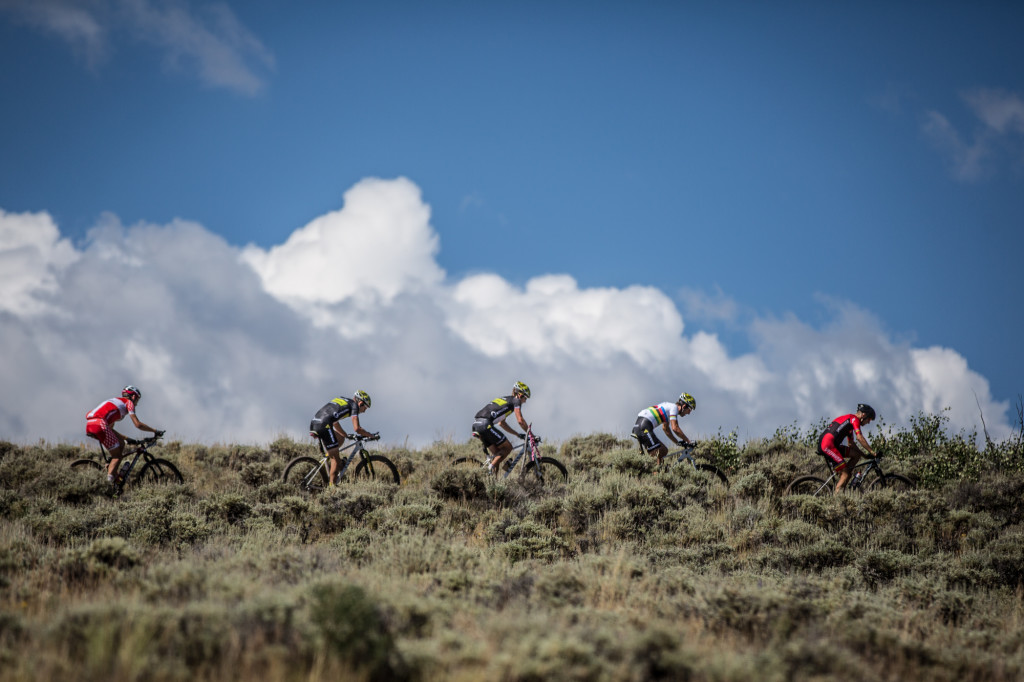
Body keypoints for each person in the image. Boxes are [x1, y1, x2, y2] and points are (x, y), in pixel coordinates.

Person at [85, 385, 163, 484]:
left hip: (91, 424)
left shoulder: (115, 402)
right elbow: (138, 424)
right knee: (117, 456)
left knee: (121, 443)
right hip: (100, 424)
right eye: (137, 400)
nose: (136, 404)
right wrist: (155, 431)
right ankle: (108, 484)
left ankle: (113, 472)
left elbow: (110, 429)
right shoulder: (129, 403)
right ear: (134, 397)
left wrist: (127, 438)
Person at [310, 390, 376, 485]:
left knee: (341, 438)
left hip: (315, 423)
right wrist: (370, 435)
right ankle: (332, 490)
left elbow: (334, 422)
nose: (364, 411)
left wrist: (345, 434)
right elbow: (357, 428)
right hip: (324, 425)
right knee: (336, 460)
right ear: (360, 403)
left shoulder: (344, 401)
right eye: (365, 408)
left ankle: (330, 457)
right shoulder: (354, 406)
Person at [817, 403, 878, 494]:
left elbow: (851, 444)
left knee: (856, 455)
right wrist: (873, 452)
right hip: (828, 445)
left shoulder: (849, 423)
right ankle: (837, 500)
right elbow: (859, 437)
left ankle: (844, 479)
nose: (868, 422)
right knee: (846, 474)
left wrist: (864, 455)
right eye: (869, 419)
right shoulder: (854, 419)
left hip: (830, 444)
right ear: (863, 415)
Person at [472, 382, 532, 474]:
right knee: (508, 448)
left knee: (498, 455)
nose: (525, 401)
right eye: (525, 397)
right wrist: (531, 434)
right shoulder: (516, 401)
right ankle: (488, 471)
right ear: (519, 394)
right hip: (485, 425)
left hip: (477, 424)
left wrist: (517, 434)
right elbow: (520, 420)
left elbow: (502, 423)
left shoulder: (506, 400)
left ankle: (493, 483)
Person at [632, 392, 696, 465]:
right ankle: (655, 473)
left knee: (662, 451)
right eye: (690, 409)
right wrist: (688, 441)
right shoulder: (674, 408)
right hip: (644, 426)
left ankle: (658, 472)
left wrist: (677, 443)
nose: (689, 413)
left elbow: (666, 429)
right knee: (662, 451)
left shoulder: (668, 408)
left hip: (640, 425)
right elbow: (675, 428)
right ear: (684, 406)